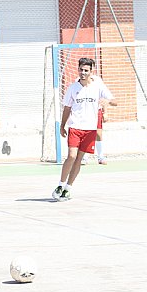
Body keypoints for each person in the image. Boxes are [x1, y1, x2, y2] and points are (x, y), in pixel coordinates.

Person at [52, 58, 117, 201]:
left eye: (86, 70)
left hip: (90, 130)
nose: (83, 72)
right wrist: (62, 126)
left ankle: (68, 188)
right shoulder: (72, 88)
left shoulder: (98, 87)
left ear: (91, 71)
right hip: (75, 127)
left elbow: (115, 101)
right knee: (71, 156)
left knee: (79, 159)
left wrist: (107, 102)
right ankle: (60, 184)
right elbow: (67, 108)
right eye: (81, 69)